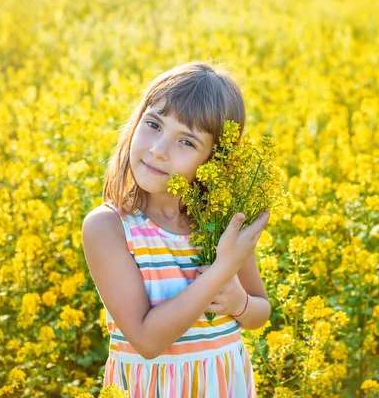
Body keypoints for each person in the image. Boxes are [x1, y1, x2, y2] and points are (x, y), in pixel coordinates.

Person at [81, 61, 271, 397]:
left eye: (187, 143)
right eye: (153, 124)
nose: (158, 150)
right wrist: (223, 269)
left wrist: (238, 302)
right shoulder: (109, 227)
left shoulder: (223, 223)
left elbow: (260, 311)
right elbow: (147, 340)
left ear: (216, 160)